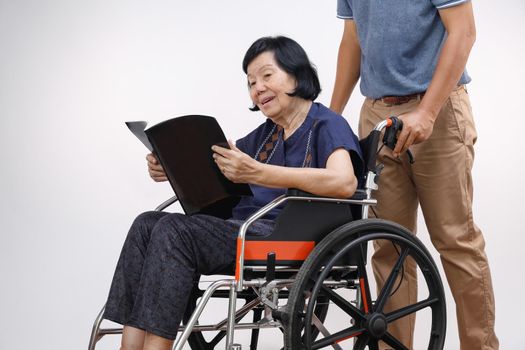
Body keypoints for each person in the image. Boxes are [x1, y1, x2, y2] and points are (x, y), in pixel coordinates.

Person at [103, 35, 364, 350]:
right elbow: (216, 164)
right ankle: (128, 346)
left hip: (286, 237)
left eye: (267, 76)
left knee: (174, 230)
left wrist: (260, 172)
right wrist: (169, 167)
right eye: (251, 82)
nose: (258, 88)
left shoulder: (327, 124)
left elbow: (344, 182)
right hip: (246, 229)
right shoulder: (266, 134)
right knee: (147, 223)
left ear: (296, 75)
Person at [331, 1, 498, 349]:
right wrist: (330, 117)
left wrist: (427, 111)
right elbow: (353, 39)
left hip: (437, 109)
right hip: (377, 113)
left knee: (456, 241)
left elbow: (464, 30)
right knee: (388, 246)